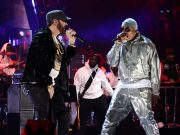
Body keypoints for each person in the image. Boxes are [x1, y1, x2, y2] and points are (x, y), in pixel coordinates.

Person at [101, 18, 161, 135]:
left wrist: (155, 91)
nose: (124, 32)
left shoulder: (147, 44)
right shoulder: (120, 44)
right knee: (110, 118)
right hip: (123, 85)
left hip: (141, 87)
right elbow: (111, 62)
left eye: (127, 29)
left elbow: (155, 68)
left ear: (135, 30)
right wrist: (117, 45)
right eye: (122, 29)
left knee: (147, 120)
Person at [22, 10, 77, 135]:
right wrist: (48, 84)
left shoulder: (57, 41)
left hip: (52, 83)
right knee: (43, 114)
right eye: (64, 21)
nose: (66, 24)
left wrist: (72, 44)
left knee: (63, 115)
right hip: (39, 81)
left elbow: (64, 63)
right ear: (55, 21)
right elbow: (39, 61)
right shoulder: (42, 35)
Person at [73, 53, 113, 135]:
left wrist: (113, 95)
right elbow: (76, 86)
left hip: (98, 98)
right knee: (81, 121)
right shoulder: (81, 71)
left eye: (95, 60)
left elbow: (106, 85)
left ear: (98, 62)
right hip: (85, 99)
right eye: (92, 58)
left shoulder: (100, 72)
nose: (93, 60)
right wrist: (76, 99)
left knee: (104, 119)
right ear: (89, 59)